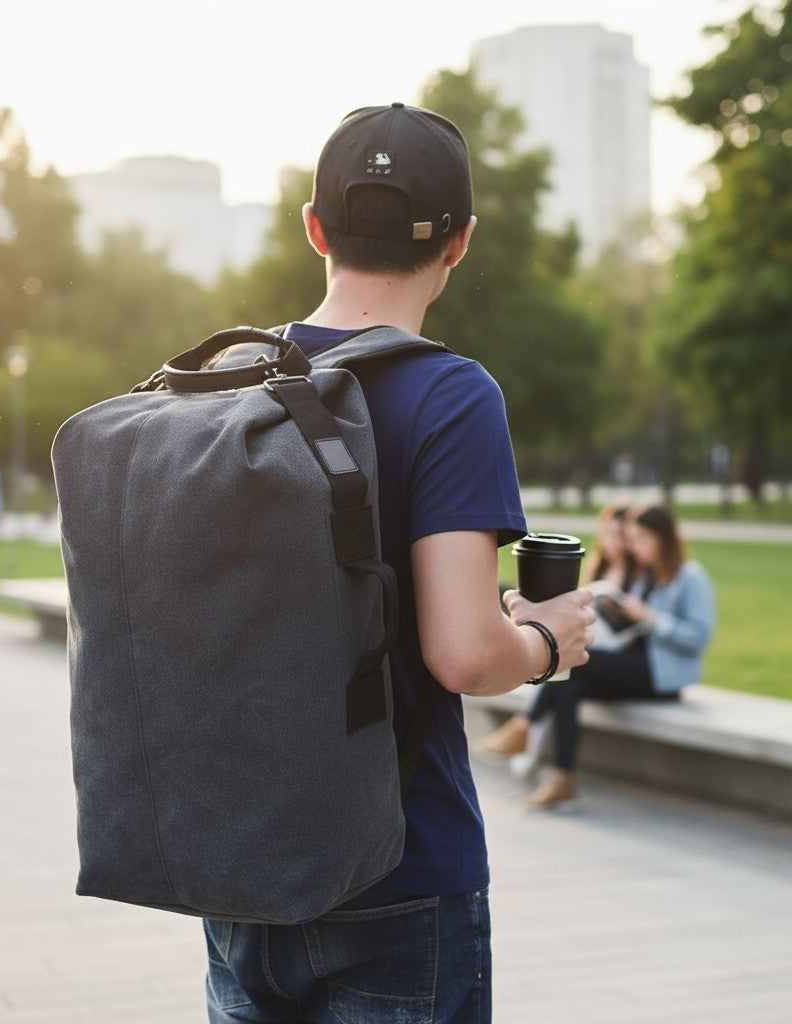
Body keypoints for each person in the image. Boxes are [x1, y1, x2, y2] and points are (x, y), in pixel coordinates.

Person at [201, 102, 594, 1024]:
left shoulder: (238, 380)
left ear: (315, 230)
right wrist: (543, 638)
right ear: (458, 242)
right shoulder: (450, 392)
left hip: (246, 864)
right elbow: (463, 653)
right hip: (403, 869)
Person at [480, 504, 715, 810]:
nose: (634, 546)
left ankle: (525, 726)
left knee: (577, 662)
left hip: (661, 675)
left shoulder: (690, 576)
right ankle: (562, 779)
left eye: (641, 538)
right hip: (632, 662)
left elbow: (699, 636)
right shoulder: (648, 576)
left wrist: (652, 619)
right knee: (569, 686)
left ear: (663, 537)